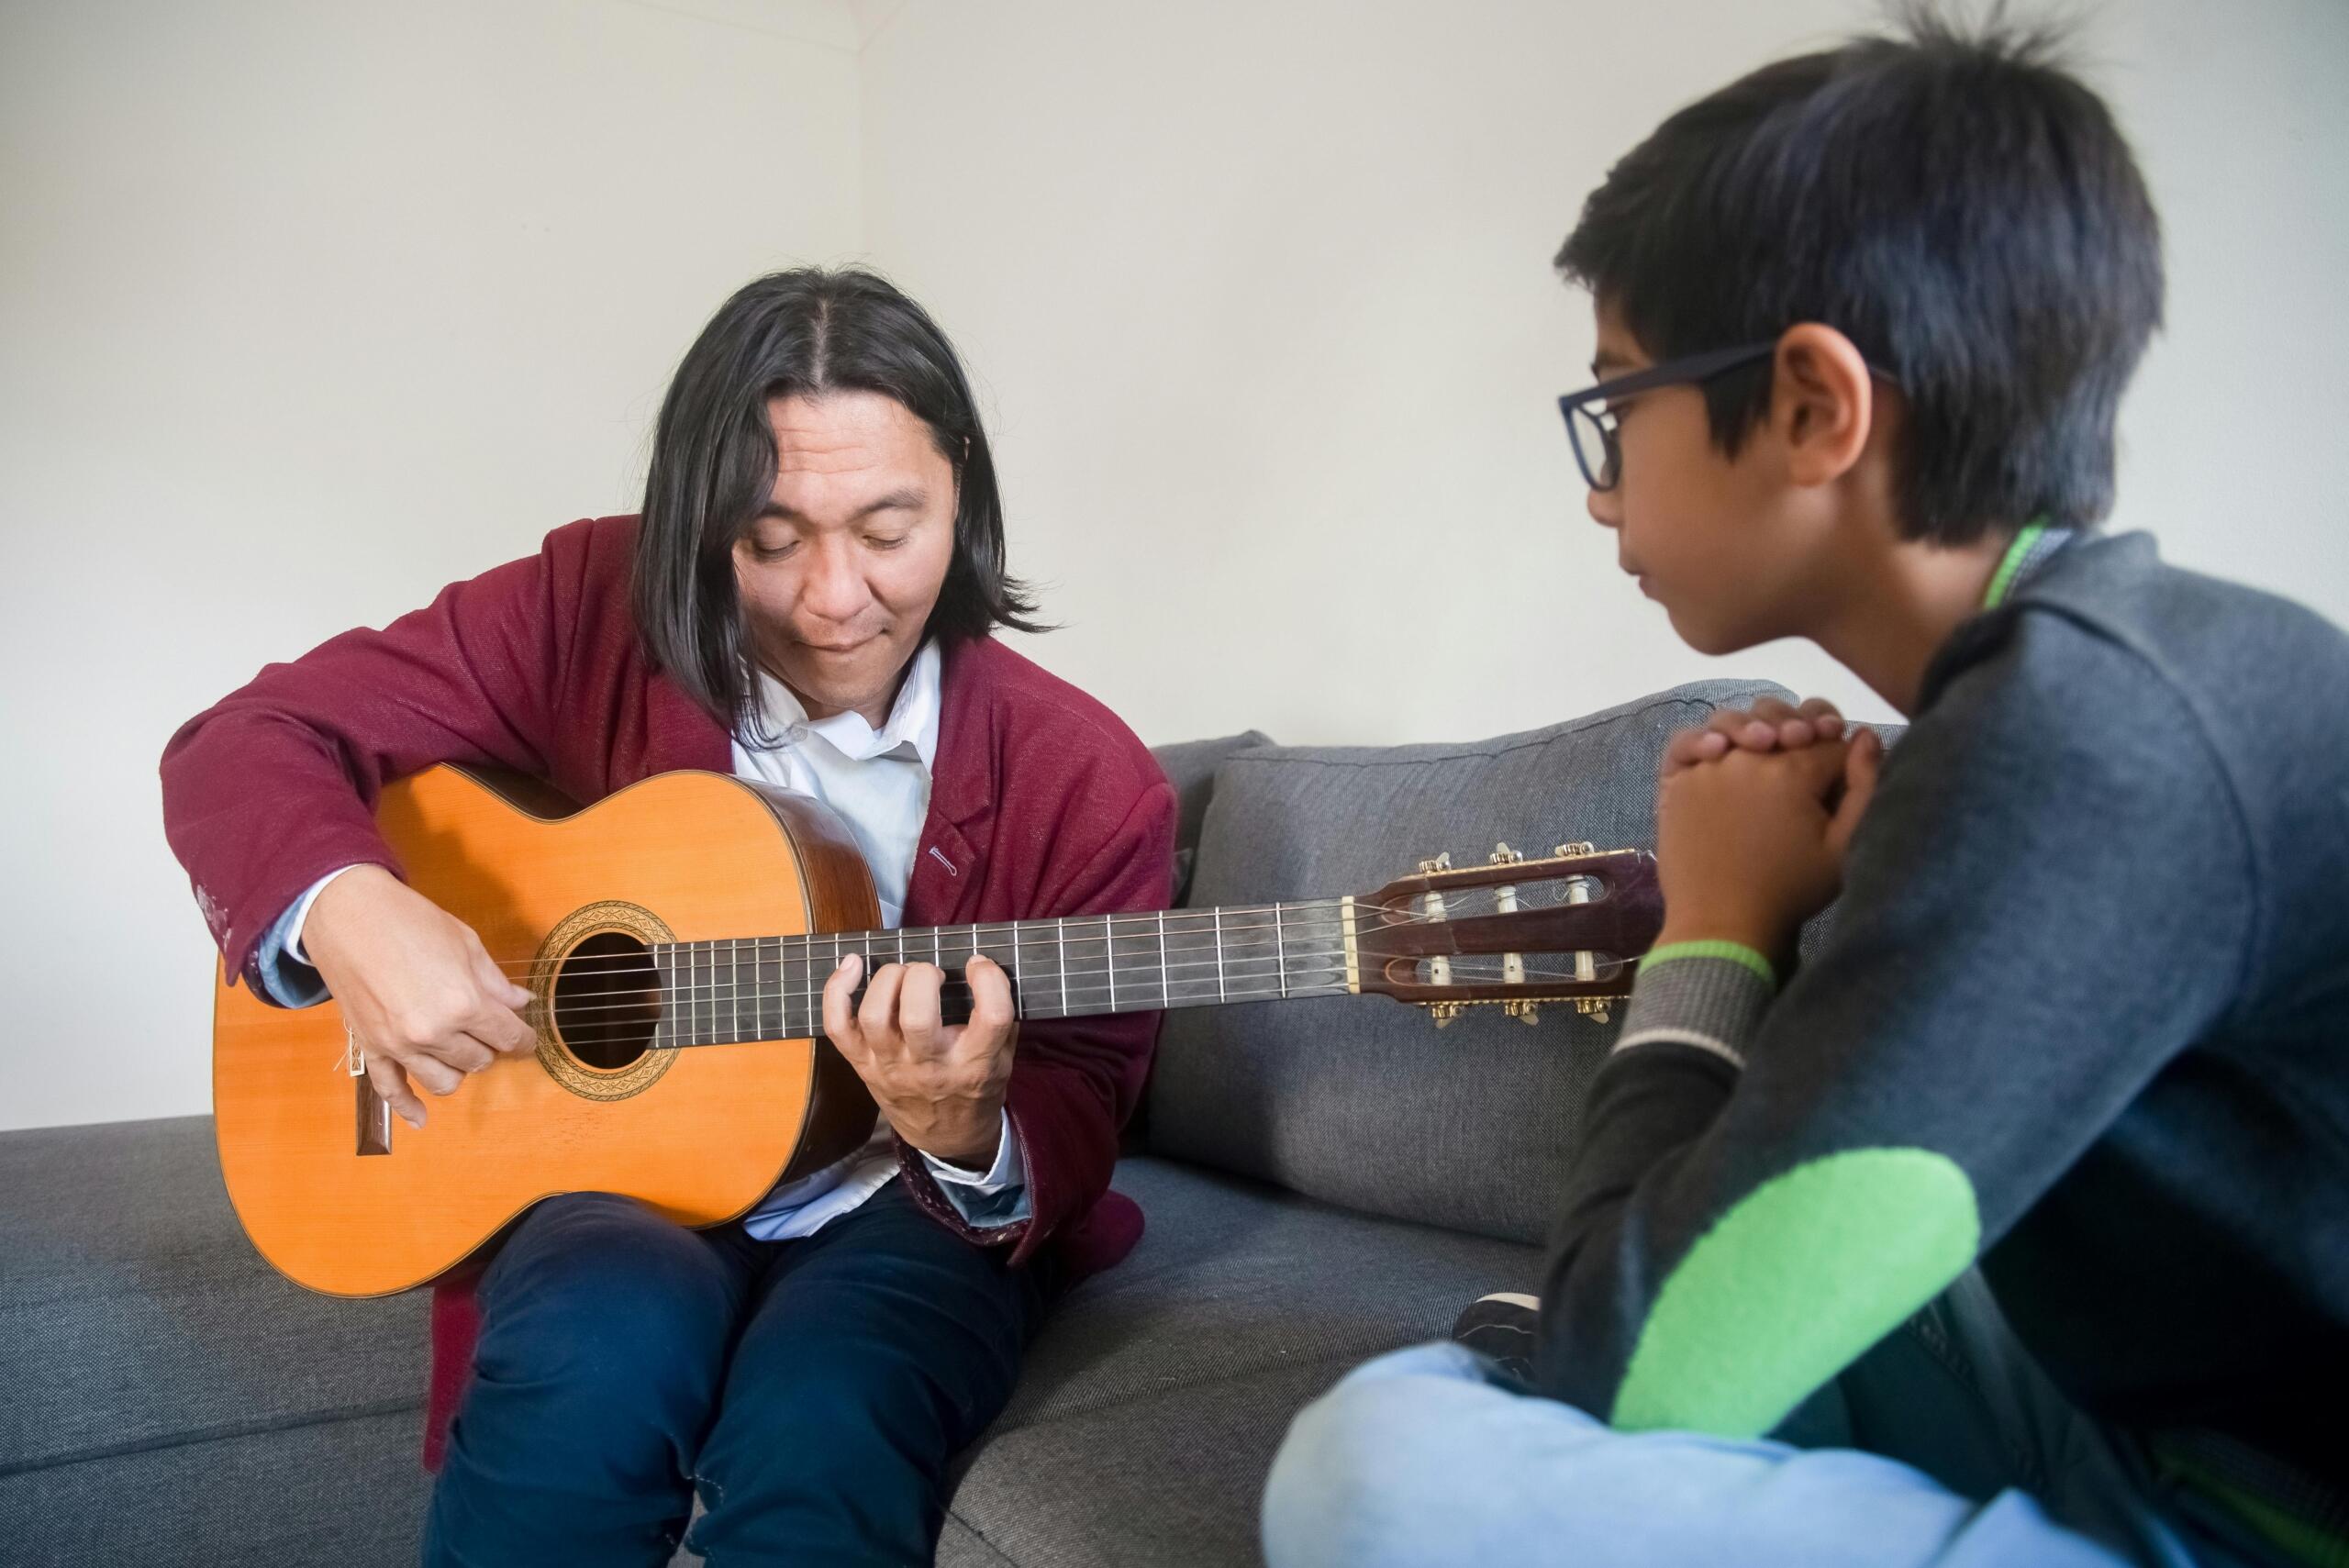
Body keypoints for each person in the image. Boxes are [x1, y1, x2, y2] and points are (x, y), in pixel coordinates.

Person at [1262, 13, 2347, 1568]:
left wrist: (1710, 930)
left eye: (1618, 403)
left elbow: (1632, 1382)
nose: (1599, 484)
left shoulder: (2091, 741)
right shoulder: (2072, 686)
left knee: (1371, 1472)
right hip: (2156, 1427)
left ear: (1814, 407)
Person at [161, 267, 1175, 1566]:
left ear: (962, 490)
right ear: (695, 515)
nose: (833, 597)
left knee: (832, 1419)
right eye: (768, 537)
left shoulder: (1089, 776)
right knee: (590, 1352)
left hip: (899, 1205)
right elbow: (247, 738)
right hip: (615, 1184)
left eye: (887, 528)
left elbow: (1086, 1088)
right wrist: (349, 909)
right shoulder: (591, 599)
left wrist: (972, 1127)